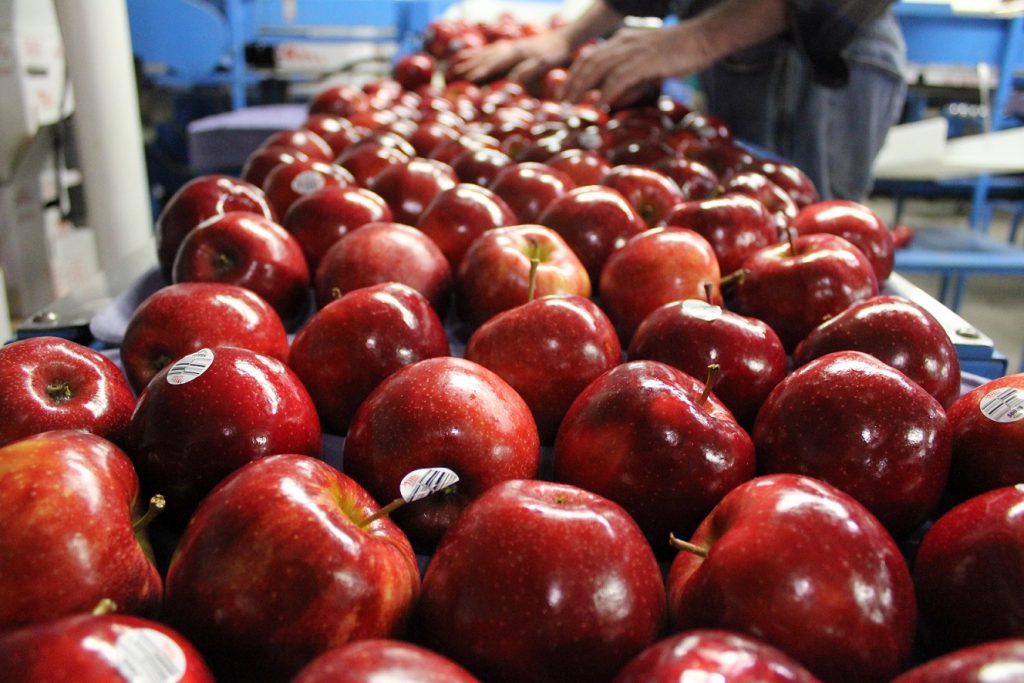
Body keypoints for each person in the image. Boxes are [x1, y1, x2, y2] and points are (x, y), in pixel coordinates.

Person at [449, 0, 907, 201]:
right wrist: (569, 36)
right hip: (736, 53)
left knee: (809, 227)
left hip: (818, 62)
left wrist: (702, 36)